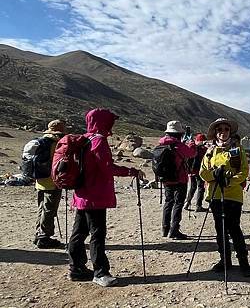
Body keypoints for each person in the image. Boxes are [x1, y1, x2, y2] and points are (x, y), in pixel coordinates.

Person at [68, 109, 144, 287]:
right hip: (95, 196)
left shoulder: (84, 139)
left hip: (81, 194)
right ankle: (100, 272)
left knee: (79, 232)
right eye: (110, 121)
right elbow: (107, 168)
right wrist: (131, 171)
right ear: (103, 122)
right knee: (97, 234)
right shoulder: (99, 141)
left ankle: (76, 268)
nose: (112, 125)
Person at [200, 118, 250, 277]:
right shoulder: (210, 151)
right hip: (215, 195)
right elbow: (203, 172)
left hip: (233, 195)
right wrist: (215, 176)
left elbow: (244, 171)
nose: (223, 132)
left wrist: (229, 181)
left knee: (234, 228)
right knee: (220, 230)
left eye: (226, 129)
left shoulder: (237, 149)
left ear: (230, 131)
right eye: (219, 129)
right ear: (215, 132)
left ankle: (244, 262)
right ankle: (225, 260)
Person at [159, 121, 197, 239]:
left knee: (168, 202)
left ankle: (165, 229)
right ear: (179, 134)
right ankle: (174, 230)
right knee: (178, 204)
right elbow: (192, 154)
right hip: (179, 179)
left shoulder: (161, 143)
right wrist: (191, 144)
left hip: (166, 179)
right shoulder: (178, 145)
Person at [33, 120, 66, 249]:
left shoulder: (41, 141)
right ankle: (44, 238)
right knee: (49, 210)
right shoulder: (56, 143)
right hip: (52, 181)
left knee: (42, 208)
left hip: (40, 181)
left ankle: (39, 234)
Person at [184, 133, 208, 212]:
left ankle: (187, 203)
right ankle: (198, 205)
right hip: (199, 171)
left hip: (191, 171)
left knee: (192, 187)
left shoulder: (192, 147)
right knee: (201, 188)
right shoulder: (202, 149)